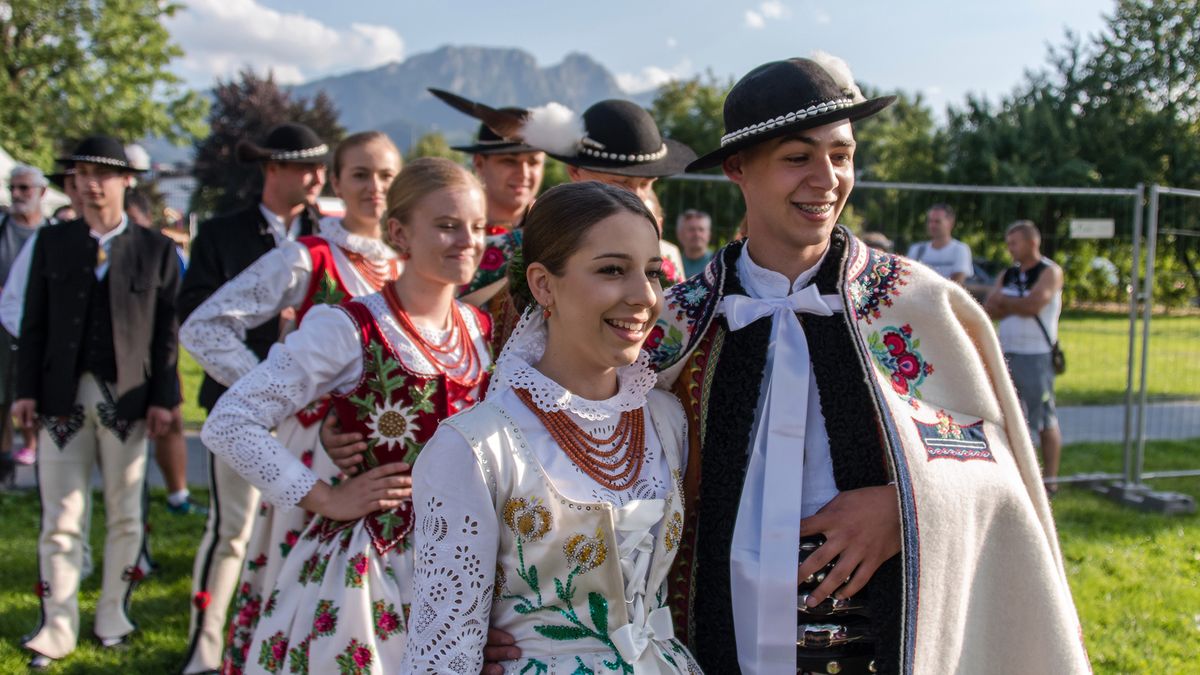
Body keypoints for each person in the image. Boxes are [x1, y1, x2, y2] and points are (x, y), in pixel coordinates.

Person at [477, 54, 1089, 675]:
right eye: (798, 157)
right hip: (704, 646)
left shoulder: (916, 308)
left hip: (880, 647)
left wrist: (905, 505)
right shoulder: (674, 322)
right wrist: (511, 616)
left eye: (842, 155)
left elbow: (997, 460)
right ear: (738, 168)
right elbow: (546, 450)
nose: (826, 178)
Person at [200, 157, 491, 674]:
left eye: (476, 227)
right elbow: (232, 419)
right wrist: (325, 496)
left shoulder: (480, 329)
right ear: (399, 232)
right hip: (373, 572)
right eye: (446, 226)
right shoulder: (349, 327)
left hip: (464, 569)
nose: (466, 240)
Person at [401, 180, 702, 673]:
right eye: (612, 270)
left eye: (653, 272)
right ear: (543, 284)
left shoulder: (667, 421)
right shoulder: (476, 447)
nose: (644, 296)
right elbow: (440, 658)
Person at [180, 131, 403, 673]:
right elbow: (204, 326)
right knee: (292, 571)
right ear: (336, 181)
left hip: (383, 458)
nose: (375, 187)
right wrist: (279, 394)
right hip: (310, 450)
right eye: (361, 175)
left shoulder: (402, 266)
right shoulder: (308, 257)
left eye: (387, 176)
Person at [13, 136, 182, 668]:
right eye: (80, 173)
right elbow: (32, 324)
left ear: (125, 179)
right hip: (61, 396)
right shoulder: (52, 242)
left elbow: (166, 336)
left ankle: (114, 616)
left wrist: (164, 399)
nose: (89, 183)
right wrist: (24, 391)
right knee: (61, 515)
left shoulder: (156, 250)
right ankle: (56, 626)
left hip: (127, 401)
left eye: (101, 173)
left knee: (126, 513)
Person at [178, 122, 328, 675]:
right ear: (272, 168)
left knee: (297, 533)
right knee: (232, 530)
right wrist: (265, 380)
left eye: (321, 165)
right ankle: (205, 649)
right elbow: (192, 313)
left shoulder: (328, 234)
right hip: (244, 411)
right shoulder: (221, 234)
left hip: (319, 419)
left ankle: (279, 646)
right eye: (303, 166)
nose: (316, 177)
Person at [985, 220, 1065, 494]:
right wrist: (1013, 305)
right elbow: (989, 309)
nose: (1010, 249)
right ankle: (1021, 478)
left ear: (1032, 242)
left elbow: (1034, 304)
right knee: (1010, 417)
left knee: (1042, 417)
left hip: (1036, 355)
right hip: (1006, 352)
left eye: (1014, 243)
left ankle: (1050, 479)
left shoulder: (1050, 272)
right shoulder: (1008, 275)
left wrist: (1008, 304)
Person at [0, 164, 51, 472]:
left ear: (42, 193)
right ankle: (5, 461)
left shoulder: (54, 234)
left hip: (42, 327)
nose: (17, 195)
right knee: (3, 395)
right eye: (13, 188)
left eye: (24, 188)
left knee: (38, 392)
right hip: (2, 329)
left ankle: (39, 454)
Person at [453, 118, 545, 231]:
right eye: (510, 161)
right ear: (479, 163)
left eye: (533, 163)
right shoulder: (452, 230)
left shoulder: (557, 229)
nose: (524, 173)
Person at [905, 203, 972, 284]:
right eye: (930, 221)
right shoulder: (917, 249)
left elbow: (957, 282)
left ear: (951, 223)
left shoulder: (960, 249)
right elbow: (908, 277)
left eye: (937, 222)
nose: (932, 225)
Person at [676, 209, 715, 278]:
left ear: (709, 235)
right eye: (691, 229)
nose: (697, 234)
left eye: (701, 229)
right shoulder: (674, 263)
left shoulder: (718, 264)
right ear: (680, 234)